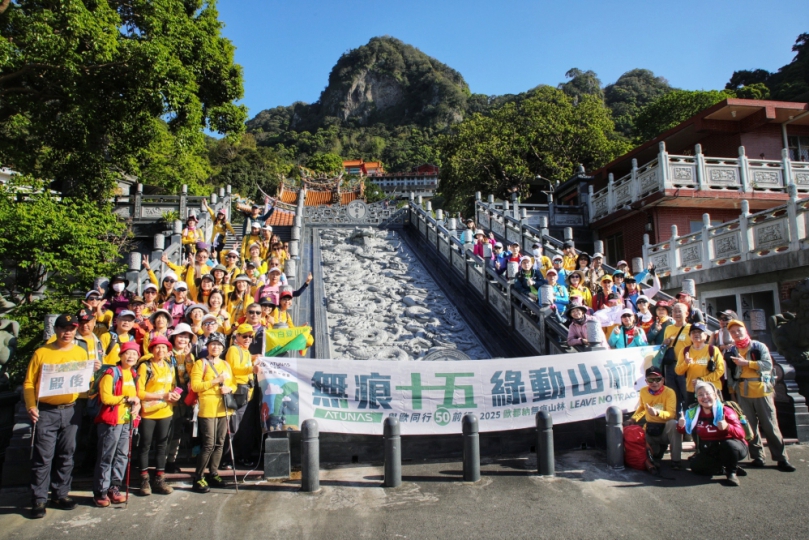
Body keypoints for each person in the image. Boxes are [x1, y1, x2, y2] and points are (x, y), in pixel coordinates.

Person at [24, 314, 84, 518]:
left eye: (71, 328)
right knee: (43, 456)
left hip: (71, 410)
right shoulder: (42, 352)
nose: (68, 332)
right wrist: (31, 406)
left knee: (67, 454)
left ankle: (60, 494)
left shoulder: (80, 352)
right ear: (56, 329)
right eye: (64, 328)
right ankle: (39, 499)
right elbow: (29, 382)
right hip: (46, 411)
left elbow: (84, 381)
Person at [726, 320, 795, 472]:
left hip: (762, 389)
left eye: (738, 330)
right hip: (743, 391)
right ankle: (758, 456)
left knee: (770, 425)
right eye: (733, 332)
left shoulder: (758, 346)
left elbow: (767, 365)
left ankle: (781, 458)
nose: (736, 334)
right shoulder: (731, 351)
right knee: (749, 426)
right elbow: (730, 374)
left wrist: (747, 363)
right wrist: (732, 393)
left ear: (745, 330)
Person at [93, 340, 141, 507]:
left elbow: (137, 396)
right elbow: (106, 398)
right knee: (107, 456)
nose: (131, 356)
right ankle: (101, 491)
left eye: (134, 354)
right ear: (120, 355)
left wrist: (137, 405)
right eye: (127, 353)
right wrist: (127, 399)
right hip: (111, 421)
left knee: (122, 455)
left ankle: (115, 487)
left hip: (127, 421)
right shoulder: (111, 373)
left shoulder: (134, 374)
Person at [677, 380, 748, 486]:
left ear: (715, 395)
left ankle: (731, 472)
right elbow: (683, 431)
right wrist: (681, 425)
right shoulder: (693, 412)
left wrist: (727, 427)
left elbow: (741, 434)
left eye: (708, 393)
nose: (704, 397)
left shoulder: (726, 410)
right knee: (696, 467)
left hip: (732, 447)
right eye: (700, 394)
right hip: (710, 448)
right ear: (697, 397)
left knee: (729, 445)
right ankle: (723, 468)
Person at [190, 332, 235, 492]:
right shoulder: (200, 363)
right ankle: (198, 476)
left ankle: (213, 473)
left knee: (220, 442)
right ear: (208, 346)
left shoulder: (226, 364)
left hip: (223, 408)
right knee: (209, 444)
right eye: (213, 344)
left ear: (223, 348)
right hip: (207, 407)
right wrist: (216, 381)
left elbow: (233, 383)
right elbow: (195, 386)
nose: (215, 347)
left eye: (219, 344)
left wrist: (229, 388)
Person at [136, 335, 180, 496]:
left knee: (163, 446)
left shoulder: (169, 366)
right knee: (145, 446)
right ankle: (144, 480)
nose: (161, 350)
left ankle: (159, 479)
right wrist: (162, 396)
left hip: (166, 411)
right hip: (148, 412)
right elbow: (139, 392)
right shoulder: (145, 367)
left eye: (164, 347)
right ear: (152, 349)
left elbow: (173, 387)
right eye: (157, 347)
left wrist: (175, 395)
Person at [625, 367, 682, 471]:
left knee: (674, 424)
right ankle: (657, 450)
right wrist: (633, 419)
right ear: (646, 381)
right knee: (649, 451)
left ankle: (676, 460)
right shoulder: (643, 391)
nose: (654, 383)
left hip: (665, 429)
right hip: (650, 428)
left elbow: (671, 414)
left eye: (657, 379)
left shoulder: (669, 392)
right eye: (651, 380)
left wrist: (657, 413)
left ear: (663, 380)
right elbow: (642, 408)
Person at [224, 324, 259, 468]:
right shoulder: (234, 349)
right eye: (244, 336)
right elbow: (234, 369)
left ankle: (241, 457)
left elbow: (243, 363)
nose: (248, 339)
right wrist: (252, 368)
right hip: (238, 392)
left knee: (244, 427)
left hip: (247, 392)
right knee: (235, 427)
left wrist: (253, 358)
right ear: (237, 336)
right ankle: (227, 459)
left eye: (250, 336)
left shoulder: (245, 351)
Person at [165, 324, 197, 473]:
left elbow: (192, 375)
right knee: (167, 430)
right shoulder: (166, 353)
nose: (183, 340)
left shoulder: (190, 356)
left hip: (183, 397)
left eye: (186, 337)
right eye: (180, 336)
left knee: (177, 429)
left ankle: (171, 460)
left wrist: (189, 358)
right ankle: (162, 460)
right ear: (174, 337)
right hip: (168, 395)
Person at [675, 323, 724, 408]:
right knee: (693, 414)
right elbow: (678, 371)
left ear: (706, 335)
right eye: (693, 332)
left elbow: (720, 370)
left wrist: (702, 380)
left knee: (715, 414)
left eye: (699, 332)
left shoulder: (713, 350)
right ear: (690, 336)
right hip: (692, 390)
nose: (696, 334)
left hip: (711, 390)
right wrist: (685, 363)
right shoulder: (685, 351)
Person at [662, 303, 692, 413]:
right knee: (672, 394)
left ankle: (689, 417)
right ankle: (676, 418)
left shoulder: (691, 328)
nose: (677, 313)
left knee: (686, 393)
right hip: (670, 365)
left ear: (686, 313)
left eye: (679, 311)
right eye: (674, 311)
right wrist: (664, 343)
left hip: (685, 365)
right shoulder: (668, 328)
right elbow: (663, 346)